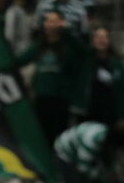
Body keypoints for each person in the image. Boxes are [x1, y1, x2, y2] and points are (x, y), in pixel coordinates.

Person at [18, 10, 85, 146]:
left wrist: (67, 32)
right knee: (42, 135)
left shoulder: (68, 45)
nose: (50, 24)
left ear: (60, 24)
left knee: (60, 135)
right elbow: (20, 60)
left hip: (61, 98)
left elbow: (83, 53)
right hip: (42, 97)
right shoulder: (38, 45)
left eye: (54, 21)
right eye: (47, 21)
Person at [74, 27, 124, 127]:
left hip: (109, 113)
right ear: (93, 41)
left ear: (109, 41)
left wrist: (122, 117)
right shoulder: (86, 61)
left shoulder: (117, 64)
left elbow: (121, 92)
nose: (101, 40)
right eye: (98, 37)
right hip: (88, 111)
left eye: (104, 37)